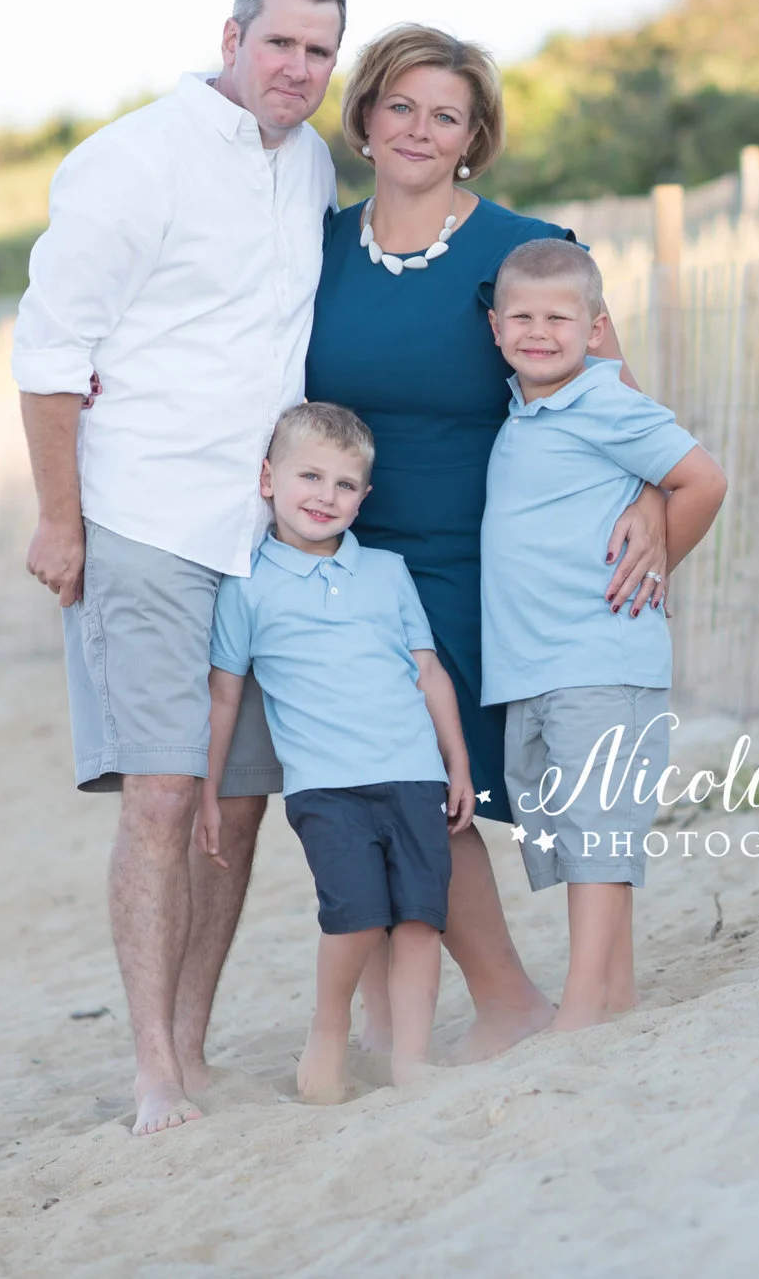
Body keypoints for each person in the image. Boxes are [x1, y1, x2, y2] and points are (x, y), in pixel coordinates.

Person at [12, 0, 343, 1136]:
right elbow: (48, 354)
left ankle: (193, 1044)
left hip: (257, 536)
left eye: (318, 51)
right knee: (162, 790)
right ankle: (151, 1070)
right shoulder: (130, 161)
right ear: (231, 35)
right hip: (142, 518)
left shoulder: (308, 169)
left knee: (239, 799)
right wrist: (61, 519)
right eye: (280, 43)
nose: (297, 68)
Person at [304, 23, 671, 1061]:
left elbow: (613, 391)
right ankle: (506, 997)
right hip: (366, 559)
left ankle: (607, 985)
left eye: (447, 116)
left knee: (562, 758)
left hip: (511, 552)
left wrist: (647, 496)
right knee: (411, 776)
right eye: (402, 107)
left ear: (474, 137)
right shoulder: (318, 248)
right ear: (367, 117)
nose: (421, 130)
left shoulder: (520, 246)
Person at [197, 402, 473, 1103]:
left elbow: (429, 671)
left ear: (365, 496)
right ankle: (327, 1031)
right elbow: (226, 693)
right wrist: (208, 788)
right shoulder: (247, 583)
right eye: (309, 476)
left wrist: (457, 762)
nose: (326, 495)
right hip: (327, 783)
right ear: (268, 478)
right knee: (354, 916)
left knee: (419, 917)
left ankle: (410, 1056)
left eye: (345, 484)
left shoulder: (386, 570)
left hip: (413, 771)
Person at [482, 239, 726, 1029]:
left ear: (597, 330)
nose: (539, 331)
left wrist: (657, 567)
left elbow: (704, 477)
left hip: (599, 656)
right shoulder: (526, 409)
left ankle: (581, 1007)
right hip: (539, 663)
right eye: (521, 316)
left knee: (596, 828)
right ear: (494, 328)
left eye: (560, 316)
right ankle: (615, 994)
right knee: (578, 826)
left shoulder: (603, 400)